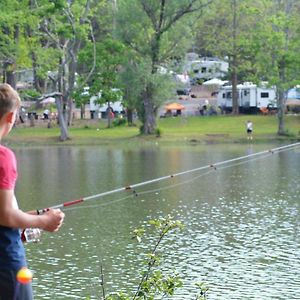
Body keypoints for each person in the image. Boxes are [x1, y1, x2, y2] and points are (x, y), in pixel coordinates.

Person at [0, 84, 65, 299]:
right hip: (7, 265)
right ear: (10, 117)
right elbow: (6, 214)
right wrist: (44, 221)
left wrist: (25, 221)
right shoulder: (3, 157)